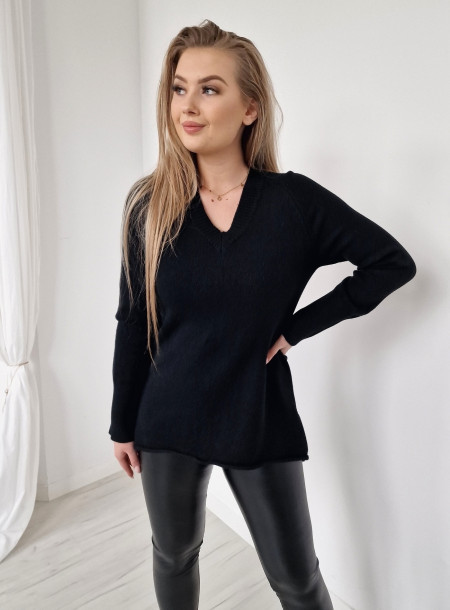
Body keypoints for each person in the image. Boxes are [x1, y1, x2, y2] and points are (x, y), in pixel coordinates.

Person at [108, 19, 416, 610]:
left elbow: (390, 263)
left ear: (250, 108)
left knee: (297, 581)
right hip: (166, 416)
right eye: (179, 88)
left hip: (258, 411)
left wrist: (296, 328)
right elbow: (132, 322)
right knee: (174, 555)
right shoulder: (149, 205)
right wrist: (122, 423)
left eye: (209, 89)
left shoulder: (292, 204)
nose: (187, 105)